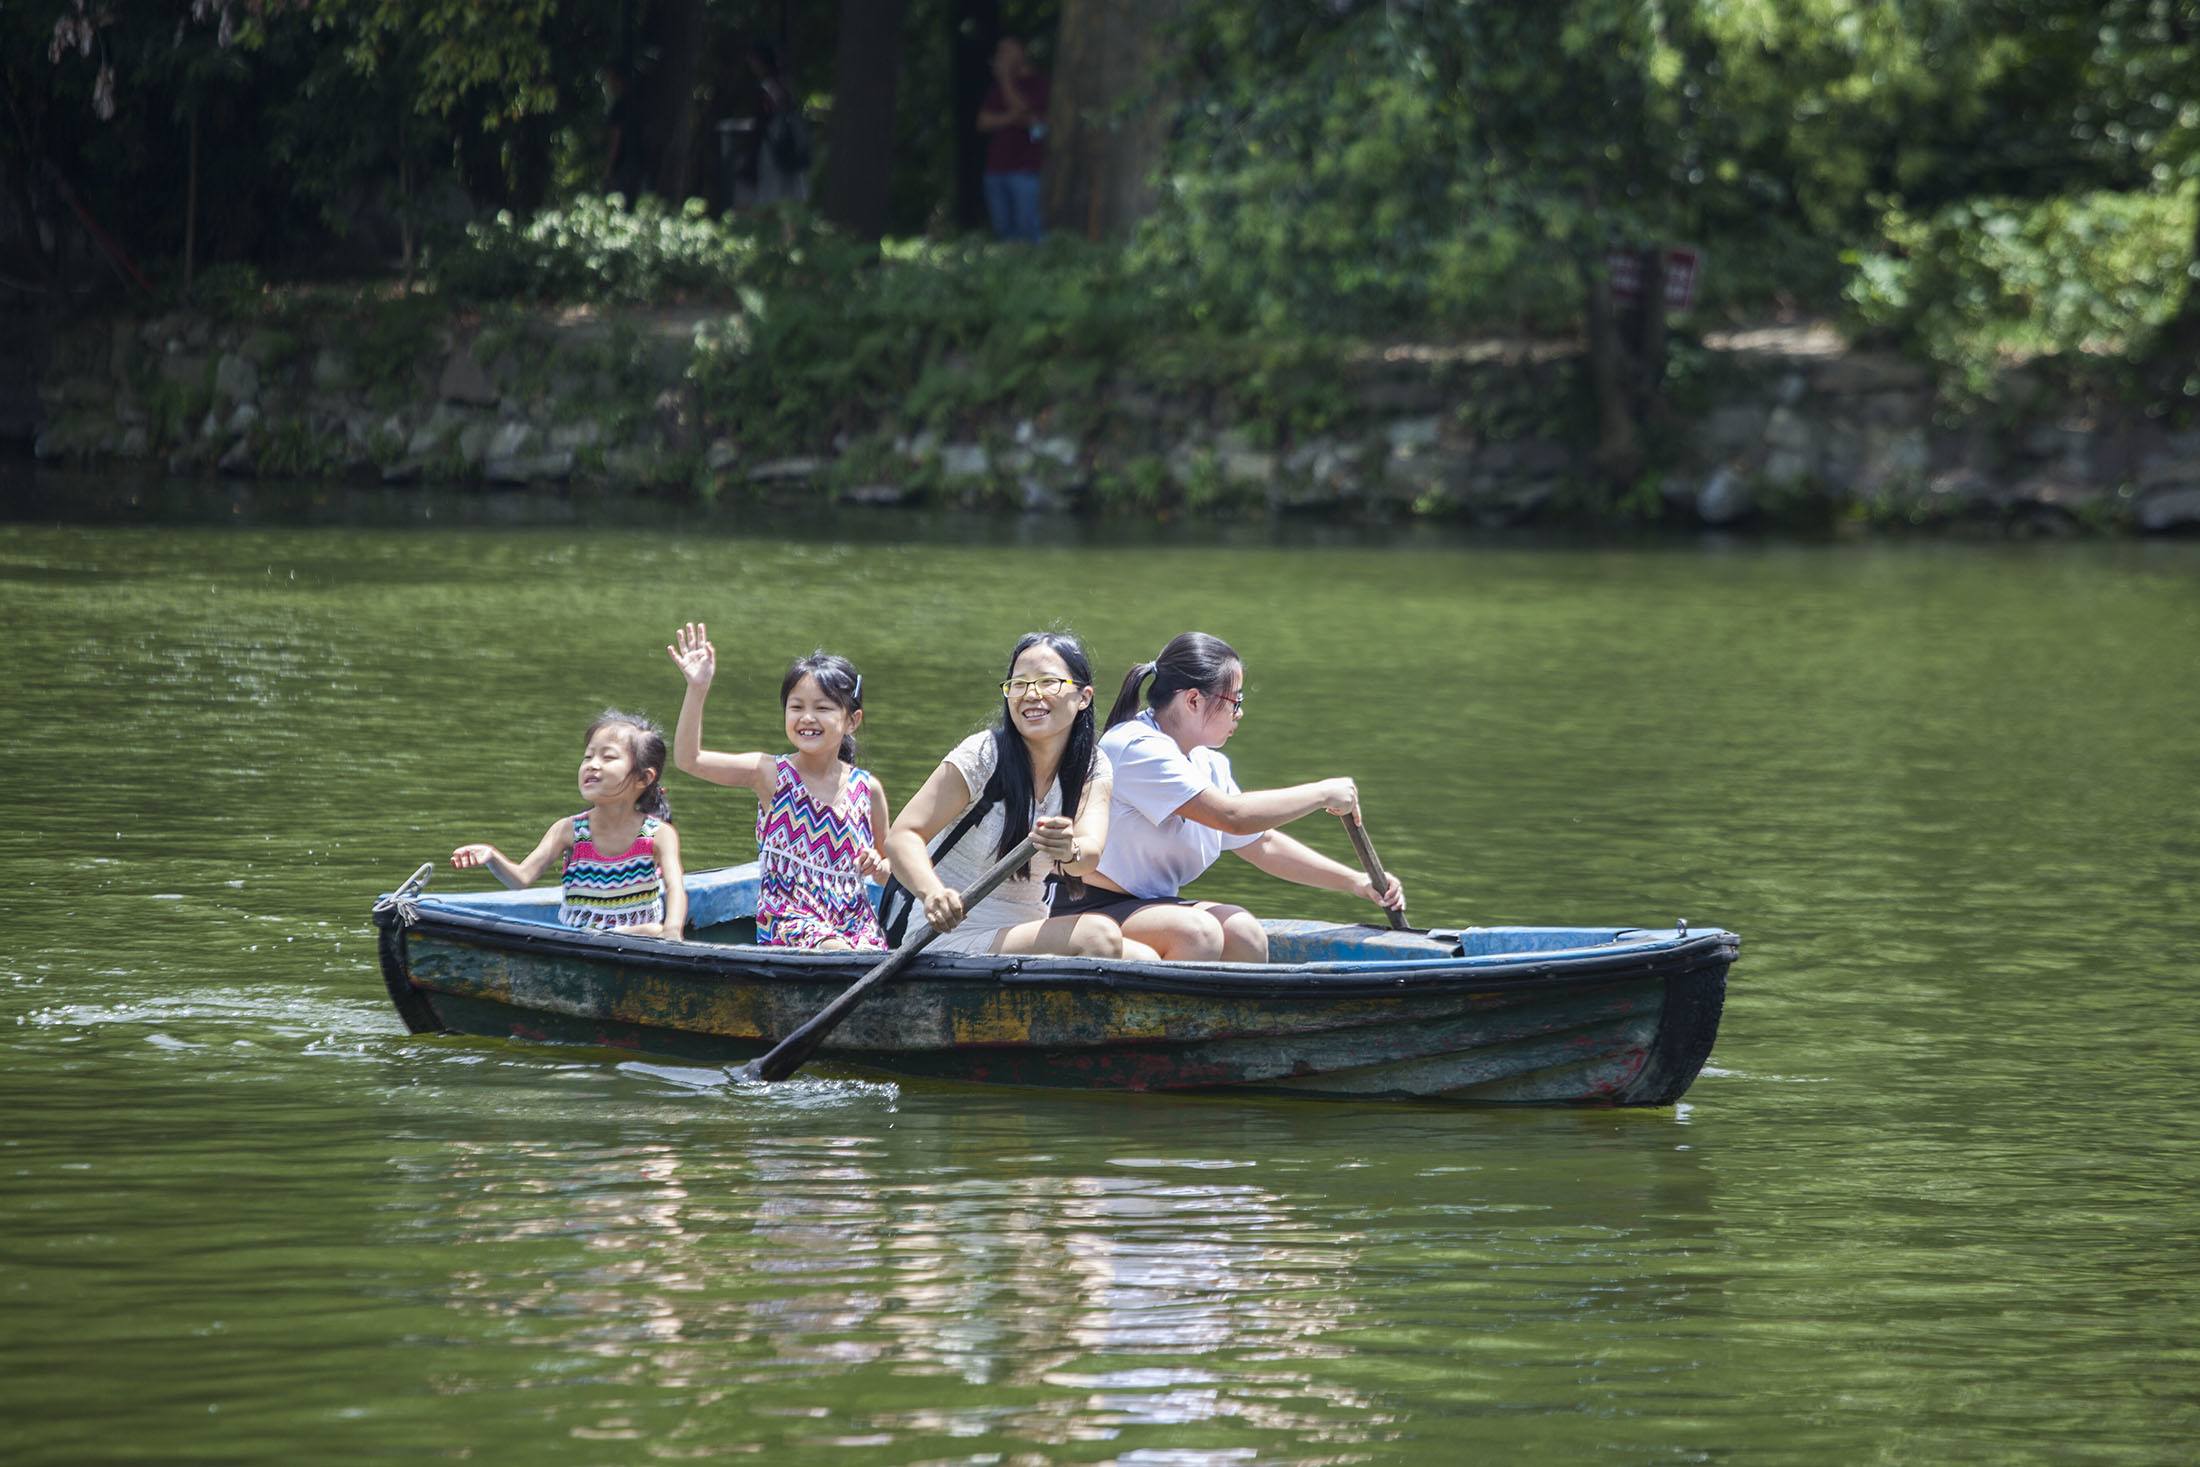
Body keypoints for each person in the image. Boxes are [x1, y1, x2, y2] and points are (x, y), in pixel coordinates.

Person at [1050, 632, 1404, 962]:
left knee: (1244, 932)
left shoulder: (1206, 762)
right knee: (1198, 934)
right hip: (1080, 905)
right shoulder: (1136, 747)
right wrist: (1323, 792)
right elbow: (1232, 816)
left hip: (1148, 906)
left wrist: (1357, 882)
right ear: (1193, 700)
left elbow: (1261, 843)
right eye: (1235, 700)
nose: (1240, 712)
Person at [884, 632, 1143, 958]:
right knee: (1099, 935)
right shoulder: (983, 754)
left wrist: (1068, 848)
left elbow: (1088, 856)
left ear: (1084, 697)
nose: (1031, 695)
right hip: (942, 932)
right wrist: (933, 893)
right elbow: (903, 836)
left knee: (1152, 958)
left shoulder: (1092, 765)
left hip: (1025, 928)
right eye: (1019, 684)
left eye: (1048, 682)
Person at [668, 624, 890, 951]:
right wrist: (697, 688)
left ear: (851, 721)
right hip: (789, 921)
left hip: (854, 923)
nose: (807, 717)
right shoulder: (770, 773)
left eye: (823, 708)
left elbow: (891, 873)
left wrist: (879, 866)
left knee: (871, 954)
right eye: (796, 707)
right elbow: (690, 760)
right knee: (840, 953)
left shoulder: (867, 788)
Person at [449, 710, 687, 938]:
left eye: (608, 757)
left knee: (654, 930)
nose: (592, 764)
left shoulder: (659, 834)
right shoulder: (569, 830)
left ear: (644, 778)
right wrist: (491, 856)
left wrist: (672, 931)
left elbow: (675, 888)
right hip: (579, 939)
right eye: (588, 756)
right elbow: (521, 879)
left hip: (638, 938)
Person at [975, 35, 1048, 243]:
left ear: (1022, 52)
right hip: (995, 169)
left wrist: (1006, 79)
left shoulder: (1038, 83)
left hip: (1025, 170)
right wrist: (1013, 117)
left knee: (1028, 228)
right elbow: (982, 122)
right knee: (1002, 230)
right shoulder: (997, 89)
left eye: (1007, 50)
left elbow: (1026, 110)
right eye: (999, 51)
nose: (1001, 56)